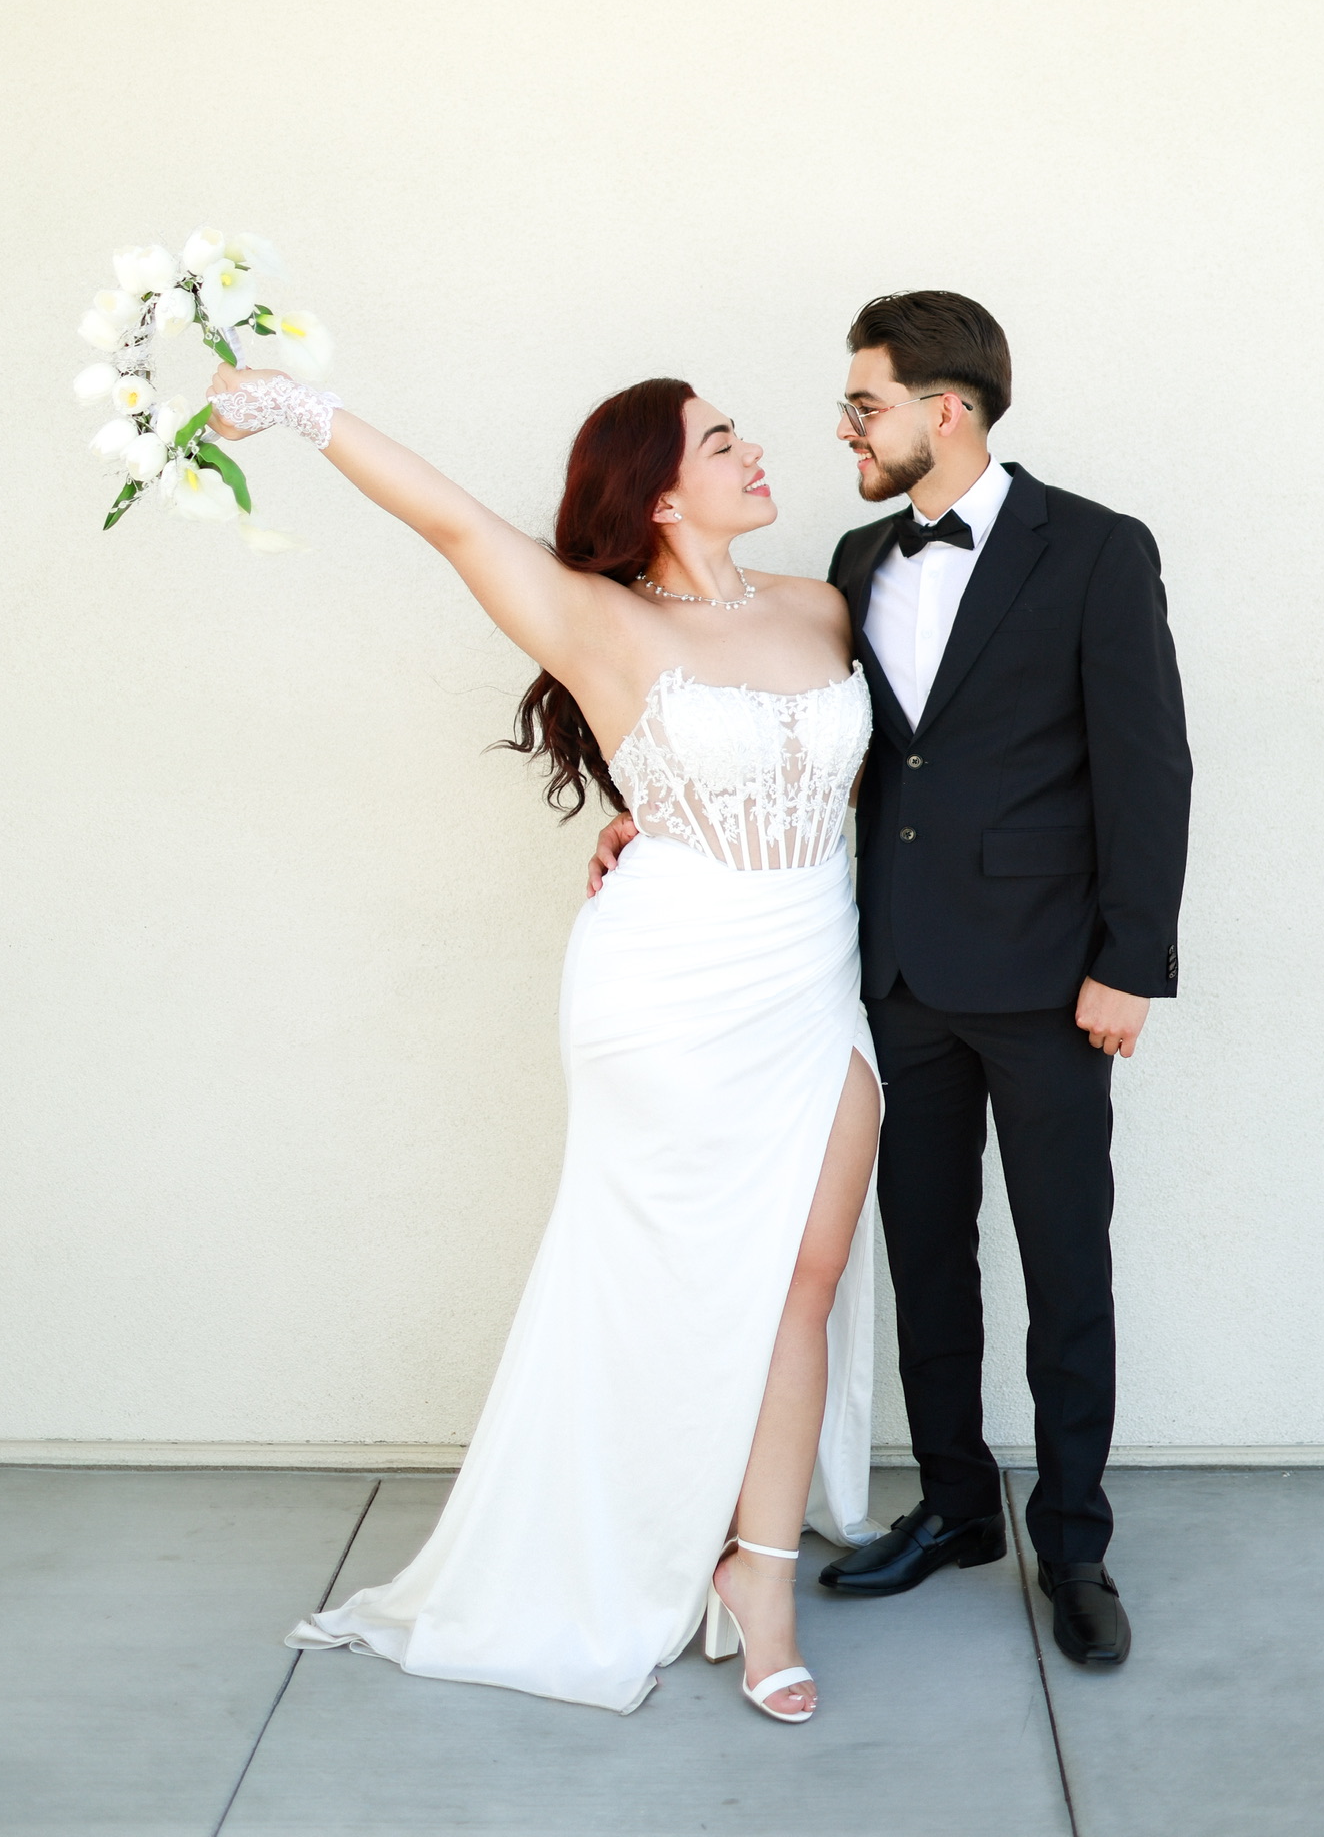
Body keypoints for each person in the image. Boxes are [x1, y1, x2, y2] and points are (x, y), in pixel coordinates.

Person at [203, 361, 882, 1720]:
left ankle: (759, 1574)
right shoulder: (595, 620)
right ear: (659, 490)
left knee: (806, 1270)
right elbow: (453, 521)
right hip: (667, 993)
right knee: (668, 1279)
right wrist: (293, 401)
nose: (757, 455)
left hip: (811, 976)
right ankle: (630, 1534)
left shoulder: (821, 606)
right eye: (723, 442)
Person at [592, 290, 1191, 1670]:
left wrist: (1129, 965)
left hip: (1052, 983)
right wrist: (656, 814)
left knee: (1063, 1263)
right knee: (924, 1255)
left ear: (946, 408)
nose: (843, 430)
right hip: (893, 974)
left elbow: (1147, 765)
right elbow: (811, 742)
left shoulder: (1096, 551)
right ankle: (961, 1511)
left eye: (863, 404)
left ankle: (1077, 1541)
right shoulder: (857, 559)